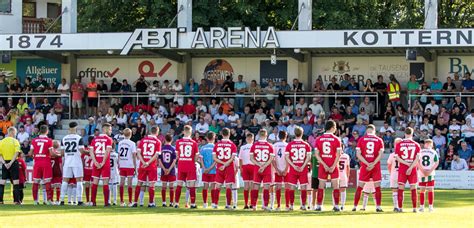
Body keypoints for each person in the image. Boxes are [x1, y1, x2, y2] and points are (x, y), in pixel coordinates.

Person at [352, 125, 384, 212]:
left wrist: (367, 164)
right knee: (377, 187)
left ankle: (355, 206)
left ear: (367, 131)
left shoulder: (361, 139)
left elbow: (358, 154)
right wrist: (373, 163)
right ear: (374, 131)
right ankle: (378, 207)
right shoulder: (379, 140)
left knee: (360, 187)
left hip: (365, 166)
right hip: (375, 165)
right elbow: (380, 155)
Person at [313, 120, 342, 211]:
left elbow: (316, 154)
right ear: (332, 128)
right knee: (336, 186)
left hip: (323, 165)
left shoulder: (319, 139)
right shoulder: (337, 139)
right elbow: (338, 154)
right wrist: (333, 165)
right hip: (333, 165)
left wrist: (324, 164)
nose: (336, 129)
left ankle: (319, 206)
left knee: (321, 186)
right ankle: (336, 206)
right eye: (335, 128)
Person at [133, 126, 161, 208]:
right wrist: (148, 162)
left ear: (150, 131)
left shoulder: (143, 140)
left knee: (139, 183)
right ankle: (151, 203)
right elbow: (156, 155)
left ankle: (135, 202)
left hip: (142, 165)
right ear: (157, 132)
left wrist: (143, 162)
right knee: (151, 184)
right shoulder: (157, 141)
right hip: (151, 165)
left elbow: (138, 153)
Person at [58, 122, 85, 205]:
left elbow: (62, 153)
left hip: (67, 161)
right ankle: (79, 200)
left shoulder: (64, 138)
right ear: (76, 128)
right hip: (76, 161)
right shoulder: (79, 138)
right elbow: (82, 151)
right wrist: (90, 152)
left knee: (65, 181)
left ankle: (61, 200)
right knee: (79, 180)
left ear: (69, 129)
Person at [395, 127, 421, 213]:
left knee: (401, 188)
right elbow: (417, 159)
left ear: (405, 134)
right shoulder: (416, 144)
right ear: (412, 134)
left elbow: (397, 157)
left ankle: (400, 208)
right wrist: (410, 167)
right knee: (413, 188)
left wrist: (406, 164)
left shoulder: (399, 144)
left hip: (403, 167)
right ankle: (414, 208)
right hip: (412, 168)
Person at [285, 126, 312, 211]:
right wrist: (303, 166)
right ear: (302, 133)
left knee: (292, 187)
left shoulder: (290, 144)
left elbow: (286, 157)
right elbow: (308, 157)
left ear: (294, 133)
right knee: (303, 187)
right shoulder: (306, 144)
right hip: (302, 168)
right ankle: (303, 205)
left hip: (293, 168)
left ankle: (291, 205)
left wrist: (293, 166)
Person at [174, 125, 199, 208]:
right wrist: (193, 161)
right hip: (190, 165)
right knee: (192, 185)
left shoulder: (178, 142)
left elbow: (177, 155)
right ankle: (192, 204)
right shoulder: (194, 143)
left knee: (179, 185)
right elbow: (196, 156)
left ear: (183, 132)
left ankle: (176, 203)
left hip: (181, 165)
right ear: (191, 132)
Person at [29, 125, 55, 205]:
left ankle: (35, 201)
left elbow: (30, 153)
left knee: (36, 181)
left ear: (40, 130)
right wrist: (58, 155)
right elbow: (51, 153)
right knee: (47, 181)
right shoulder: (49, 140)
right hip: (46, 162)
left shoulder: (34, 140)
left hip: (37, 162)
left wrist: (35, 156)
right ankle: (49, 200)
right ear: (47, 131)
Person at [212, 128, 238, 209]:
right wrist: (226, 164)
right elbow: (232, 158)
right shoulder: (232, 145)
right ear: (229, 134)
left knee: (218, 186)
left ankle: (215, 204)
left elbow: (214, 158)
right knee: (228, 186)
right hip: (229, 167)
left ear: (222, 134)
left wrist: (222, 164)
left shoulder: (217, 144)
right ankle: (228, 205)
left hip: (220, 167)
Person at [249, 129, 274, 211]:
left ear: (259, 135)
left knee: (256, 187)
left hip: (257, 168)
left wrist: (259, 165)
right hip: (266, 168)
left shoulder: (254, 145)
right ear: (266, 135)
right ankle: (265, 205)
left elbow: (251, 158)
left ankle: (254, 205)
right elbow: (271, 159)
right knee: (266, 187)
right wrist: (263, 166)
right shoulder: (270, 146)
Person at [89, 123, 114, 207]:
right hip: (105, 163)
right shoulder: (109, 139)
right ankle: (106, 203)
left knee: (95, 182)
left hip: (96, 163)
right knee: (105, 182)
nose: (111, 131)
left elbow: (91, 151)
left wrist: (95, 161)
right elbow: (107, 151)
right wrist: (103, 162)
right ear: (105, 129)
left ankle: (93, 202)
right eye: (110, 129)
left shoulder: (95, 139)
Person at [0, 127, 22, 204]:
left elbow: (0, 155)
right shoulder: (15, 141)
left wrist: (5, 163)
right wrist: (11, 163)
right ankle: (16, 201)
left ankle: (0, 201)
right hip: (13, 163)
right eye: (15, 133)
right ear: (12, 133)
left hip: (5, 163)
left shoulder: (1, 142)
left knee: (2, 182)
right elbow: (16, 153)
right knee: (15, 182)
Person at [418, 139, 439, 212]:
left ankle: (421, 207)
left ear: (425, 144)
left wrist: (422, 170)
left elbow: (417, 162)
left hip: (421, 172)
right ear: (432, 145)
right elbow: (436, 163)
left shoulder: (420, 151)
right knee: (430, 189)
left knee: (422, 190)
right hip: (430, 173)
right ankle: (430, 207)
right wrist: (430, 170)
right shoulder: (434, 152)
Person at [117, 128, 137, 207]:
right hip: (129, 165)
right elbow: (134, 156)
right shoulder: (132, 143)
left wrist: (119, 164)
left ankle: (121, 201)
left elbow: (119, 155)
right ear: (131, 134)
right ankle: (130, 201)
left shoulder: (120, 143)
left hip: (122, 164)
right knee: (129, 184)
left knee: (121, 183)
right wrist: (135, 167)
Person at [159, 134, 177, 207]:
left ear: (164, 140)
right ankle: (171, 202)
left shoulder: (161, 148)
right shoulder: (173, 149)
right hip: (171, 170)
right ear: (172, 140)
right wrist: (169, 169)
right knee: (171, 187)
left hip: (164, 170)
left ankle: (164, 202)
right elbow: (174, 161)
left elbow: (159, 160)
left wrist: (164, 169)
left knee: (164, 186)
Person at [199, 132, 216, 208]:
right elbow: (216, 160)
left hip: (205, 170)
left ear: (207, 138)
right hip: (213, 170)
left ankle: (205, 204)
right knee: (213, 187)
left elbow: (200, 159)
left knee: (205, 186)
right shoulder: (215, 147)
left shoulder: (203, 148)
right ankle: (213, 204)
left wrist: (204, 168)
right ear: (214, 138)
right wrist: (210, 168)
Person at [272, 131, 288, 211]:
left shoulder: (274, 145)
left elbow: (272, 159)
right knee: (287, 187)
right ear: (286, 136)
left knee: (278, 187)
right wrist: (286, 169)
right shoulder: (288, 145)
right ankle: (287, 206)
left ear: (278, 136)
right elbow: (289, 159)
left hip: (277, 169)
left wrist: (277, 169)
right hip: (286, 170)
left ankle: (278, 206)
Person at [239, 133, 254, 209]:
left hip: (246, 166)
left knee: (246, 186)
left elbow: (240, 159)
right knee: (251, 186)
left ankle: (246, 204)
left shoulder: (243, 147)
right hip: (252, 166)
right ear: (252, 139)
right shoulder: (254, 146)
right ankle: (251, 203)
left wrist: (241, 168)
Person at [387, 138, 402, 211]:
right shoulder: (404, 155)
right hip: (401, 174)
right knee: (400, 190)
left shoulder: (392, 155)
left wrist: (390, 173)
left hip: (394, 173)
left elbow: (389, 165)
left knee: (394, 191)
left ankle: (396, 206)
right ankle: (400, 206)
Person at [82, 136, 94, 205]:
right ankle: (92, 200)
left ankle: (87, 200)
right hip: (93, 170)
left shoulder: (85, 150)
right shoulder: (94, 150)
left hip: (86, 169)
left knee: (86, 185)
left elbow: (83, 160)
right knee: (93, 185)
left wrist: (83, 169)